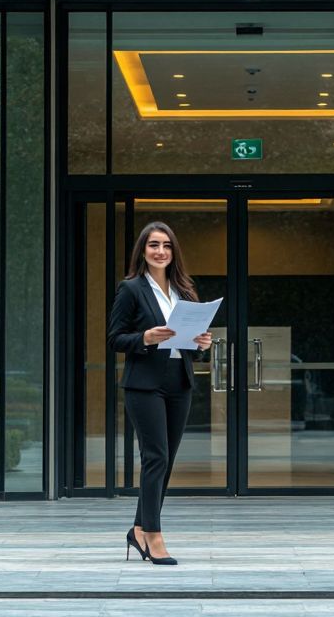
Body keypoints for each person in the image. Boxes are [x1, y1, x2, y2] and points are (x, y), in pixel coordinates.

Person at [107, 221, 212, 566]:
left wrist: (201, 343)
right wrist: (145, 338)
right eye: (154, 245)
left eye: (166, 245)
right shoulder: (131, 289)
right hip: (144, 383)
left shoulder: (184, 290)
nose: (160, 251)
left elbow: (188, 343)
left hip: (178, 382)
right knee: (156, 458)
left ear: (173, 251)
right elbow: (115, 339)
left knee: (165, 462)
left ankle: (138, 529)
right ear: (143, 250)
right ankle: (153, 535)